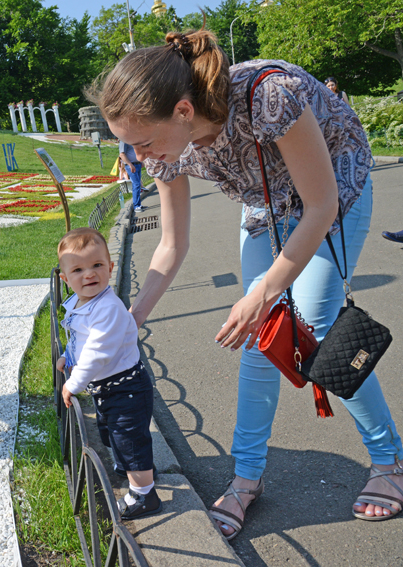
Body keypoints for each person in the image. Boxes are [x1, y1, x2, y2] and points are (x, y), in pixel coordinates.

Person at [88, 27, 403, 539]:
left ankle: (390, 464)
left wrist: (262, 292)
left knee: (318, 321)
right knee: (262, 337)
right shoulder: (168, 151)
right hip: (268, 201)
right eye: (130, 146)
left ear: (184, 112)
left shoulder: (268, 95)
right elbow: (170, 245)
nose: (139, 158)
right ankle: (246, 478)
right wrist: (129, 318)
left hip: (333, 188)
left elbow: (320, 205)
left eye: (143, 142)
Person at [56, 228, 162, 519]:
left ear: (111, 267)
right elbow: (80, 339)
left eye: (97, 265)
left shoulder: (107, 309)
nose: (89, 274)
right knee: (112, 434)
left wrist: (74, 383)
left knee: (129, 439)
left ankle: (144, 495)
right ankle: (135, 471)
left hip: (126, 389)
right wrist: (67, 355)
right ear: (65, 279)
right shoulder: (81, 303)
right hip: (108, 388)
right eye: (78, 269)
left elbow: (97, 351)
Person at [118, 139, 144, 212]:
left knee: (138, 184)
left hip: (137, 164)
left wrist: (140, 161)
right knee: (136, 184)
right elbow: (122, 154)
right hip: (131, 165)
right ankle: (136, 206)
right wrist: (130, 164)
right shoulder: (123, 141)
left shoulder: (131, 139)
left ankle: (138, 204)